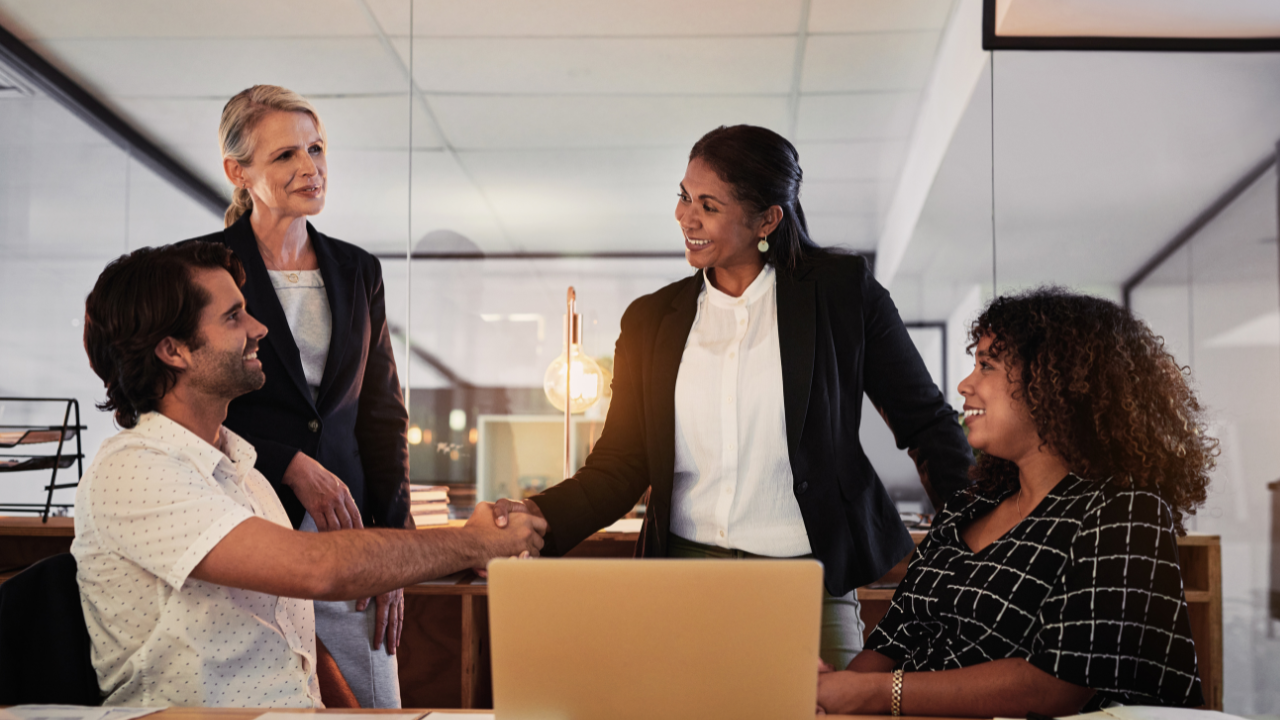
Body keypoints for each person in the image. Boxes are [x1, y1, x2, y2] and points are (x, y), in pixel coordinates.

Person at [492, 124, 974, 668]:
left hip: (806, 585)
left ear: (767, 219)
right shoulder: (652, 320)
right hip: (682, 580)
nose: (685, 217)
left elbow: (927, 424)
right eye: (682, 195)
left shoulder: (841, 293)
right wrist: (535, 514)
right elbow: (620, 466)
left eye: (708, 205)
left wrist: (976, 540)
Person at [74, 241, 545, 707]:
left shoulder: (244, 472)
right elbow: (316, 569)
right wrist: (477, 541)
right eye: (233, 317)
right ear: (174, 350)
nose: (259, 328)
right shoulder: (134, 469)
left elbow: (290, 638)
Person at [816, 287, 1215, 716]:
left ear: (1054, 382)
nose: (965, 384)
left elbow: (1055, 686)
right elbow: (891, 642)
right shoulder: (967, 507)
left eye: (987, 365)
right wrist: (830, 692)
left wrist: (875, 693)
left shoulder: (1123, 511)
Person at [186, 85, 408, 707]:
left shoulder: (358, 270)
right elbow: (181, 407)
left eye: (316, 149)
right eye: (285, 155)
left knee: (374, 704)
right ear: (239, 172)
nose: (309, 167)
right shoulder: (197, 269)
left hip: (348, 528)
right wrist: (284, 458)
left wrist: (395, 548)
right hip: (243, 521)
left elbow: (382, 414)